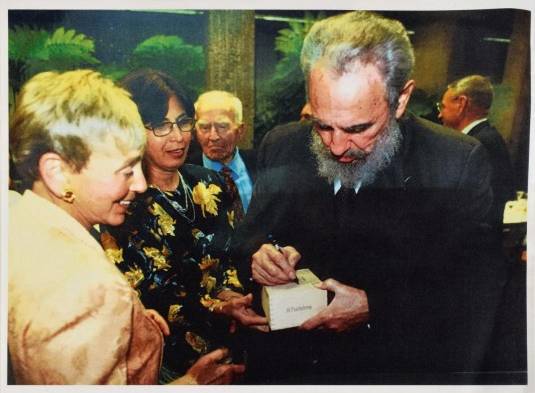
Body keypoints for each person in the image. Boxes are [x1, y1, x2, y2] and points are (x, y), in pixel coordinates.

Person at [232, 11, 510, 384]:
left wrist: (375, 307)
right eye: (322, 124)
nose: (335, 146)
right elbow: (250, 236)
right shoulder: (282, 144)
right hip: (288, 369)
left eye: (359, 128)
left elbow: (475, 292)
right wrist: (259, 256)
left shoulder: (456, 162)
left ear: (401, 99)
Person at [8, 69, 244, 384]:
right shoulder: (92, 288)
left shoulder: (17, 219)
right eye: (126, 169)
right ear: (57, 171)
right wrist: (190, 385)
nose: (141, 183)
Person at [95, 69, 267, 383]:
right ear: (132, 130)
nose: (178, 137)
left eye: (184, 121)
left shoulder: (211, 182)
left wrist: (231, 295)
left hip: (231, 347)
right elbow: (150, 296)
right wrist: (217, 308)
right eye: (160, 125)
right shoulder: (122, 203)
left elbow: (232, 256)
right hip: (169, 366)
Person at [437, 74, 515, 222]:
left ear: (462, 104)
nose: (440, 114)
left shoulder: (476, 144)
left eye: (443, 106)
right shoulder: (490, 137)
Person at [187, 90, 256, 213]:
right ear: (195, 131)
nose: (213, 137)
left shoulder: (261, 164)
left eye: (222, 127)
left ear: (240, 130)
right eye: (205, 127)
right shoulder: (184, 176)